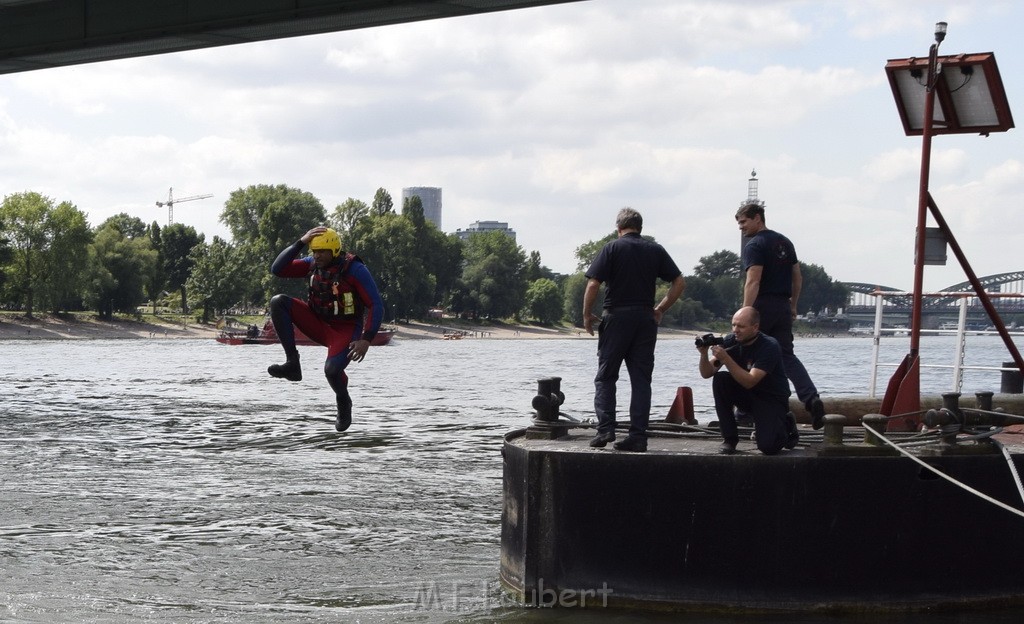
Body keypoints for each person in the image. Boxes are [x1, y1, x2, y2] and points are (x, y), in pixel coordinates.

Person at [583, 207, 685, 453]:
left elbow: (594, 284)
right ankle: (638, 436)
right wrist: (660, 309)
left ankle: (606, 428)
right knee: (641, 381)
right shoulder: (655, 249)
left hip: (616, 317)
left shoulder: (612, 248)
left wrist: (586, 315)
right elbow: (679, 282)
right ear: (640, 227)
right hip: (645, 319)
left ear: (618, 228)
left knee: (606, 376)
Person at [267, 226, 384, 432]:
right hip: (317, 322)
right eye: (314, 251)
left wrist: (367, 338)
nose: (317, 255)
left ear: (334, 251)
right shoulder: (311, 264)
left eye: (322, 251)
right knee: (278, 302)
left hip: (345, 329)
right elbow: (278, 269)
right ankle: (293, 364)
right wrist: (301, 242)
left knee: (331, 371)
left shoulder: (354, 270)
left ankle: (343, 401)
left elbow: (376, 303)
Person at [735, 202, 825, 430]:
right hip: (782, 306)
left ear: (757, 218)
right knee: (785, 356)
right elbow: (797, 276)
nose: (740, 227)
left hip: (762, 307)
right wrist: (793, 304)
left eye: (743, 222)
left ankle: (745, 411)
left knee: (750, 353)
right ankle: (811, 398)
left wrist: (746, 312)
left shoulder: (754, 245)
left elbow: (753, 279)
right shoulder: (784, 242)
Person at [698, 306, 799, 455]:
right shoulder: (731, 341)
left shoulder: (769, 346)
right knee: (720, 379)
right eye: (733, 325)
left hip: (770, 398)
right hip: (748, 396)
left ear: (755, 327)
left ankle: (786, 423)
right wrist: (703, 354)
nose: (735, 330)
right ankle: (730, 439)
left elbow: (751, 381)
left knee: (768, 447)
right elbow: (707, 373)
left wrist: (726, 358)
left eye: (741, 326)